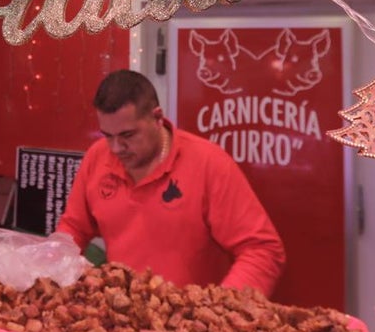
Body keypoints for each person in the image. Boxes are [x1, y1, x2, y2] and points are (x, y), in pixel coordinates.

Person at [57, 70, 286, 295]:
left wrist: (221, 308)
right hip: (121, 318)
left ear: (157, 118)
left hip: (191, 323)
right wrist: (50, 266)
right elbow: (74, 228)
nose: (116, 148)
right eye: (108, 135)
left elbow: (262, 251)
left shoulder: (209, 164)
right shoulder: (98, 157)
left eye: (128, 136)